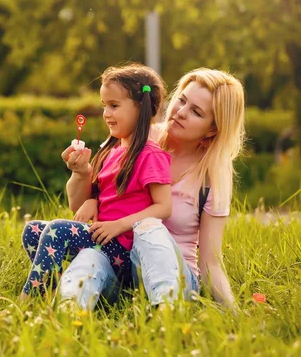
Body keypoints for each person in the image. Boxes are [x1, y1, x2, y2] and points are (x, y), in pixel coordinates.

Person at [60, 68, 245, 311]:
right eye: (181, 100)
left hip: (178, 279)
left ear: (212, 129)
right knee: (89, 260)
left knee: (148, 227)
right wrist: (85, 181)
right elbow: (82, 205)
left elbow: (211, 263)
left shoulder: (212, 178)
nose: (180, 112)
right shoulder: (140, 137)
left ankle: (165, 313)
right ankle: (65, 313)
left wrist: (236, 314)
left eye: (196, 112)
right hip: (123, 267)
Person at [20, 63, 172, 300]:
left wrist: (118, 225)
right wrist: (91, 194)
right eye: (104, 106)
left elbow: (163, 207)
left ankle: (29, 301)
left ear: (141, 108)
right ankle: (57, 290)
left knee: (57, 231)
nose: (106, 114)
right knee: (32, 231)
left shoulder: (149, 154)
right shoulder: (110, 152)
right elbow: (88, 201)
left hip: (121, 247)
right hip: (102, 241)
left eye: (114, 106)